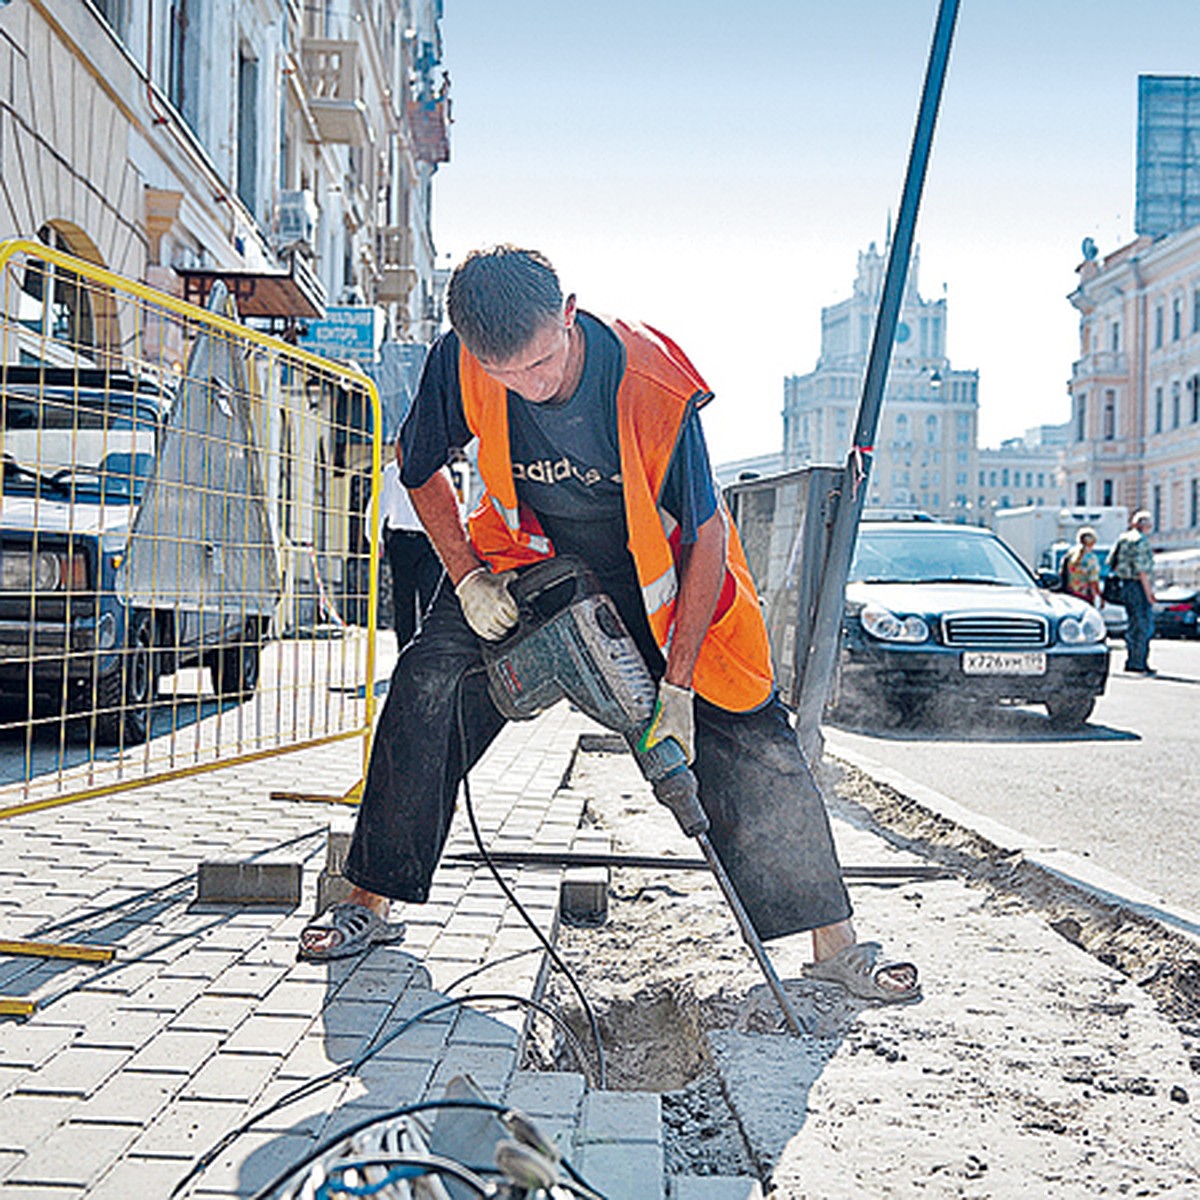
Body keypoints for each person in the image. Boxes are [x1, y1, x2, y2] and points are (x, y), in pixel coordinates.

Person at [298, 245, 919, 1004]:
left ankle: (834, 943)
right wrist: (465, 579)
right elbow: (419, 464)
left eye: (542, 364)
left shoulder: (651, 379)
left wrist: (681, 687)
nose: (531, 385)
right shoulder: (457, 360)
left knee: (753, 738)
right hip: (520, 568)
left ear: (568, 314)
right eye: (507, 377)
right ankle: (367, 901)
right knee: (426, 688)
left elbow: (706, 534)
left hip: (650, 579)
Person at [379, 452, 442, 649]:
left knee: (426, 600)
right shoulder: (392, 471)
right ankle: (405, 651)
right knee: (408, 599)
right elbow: (379, 506)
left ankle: (424, 651)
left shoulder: (438, 469)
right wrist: (377, 540)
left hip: (425, 540)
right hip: (408, 540)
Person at [1109, 509, 1157, 674]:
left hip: (1125, 585)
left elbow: (1111, 562)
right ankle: (1139, 662)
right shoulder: (1141, 541)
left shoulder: (1123, 538)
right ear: (1145, 526)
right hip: (1138, 586)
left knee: (1132, 624)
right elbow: (1142, 570)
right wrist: (1149, 593)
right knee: (1144, 625)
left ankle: (1131, 660)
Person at [1062, 526, 1101, 606]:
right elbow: (1093, 580)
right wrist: (1100, 596)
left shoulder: (1069, 555)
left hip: (1070, 594)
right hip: (1084, 596)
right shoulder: (1091, 558)